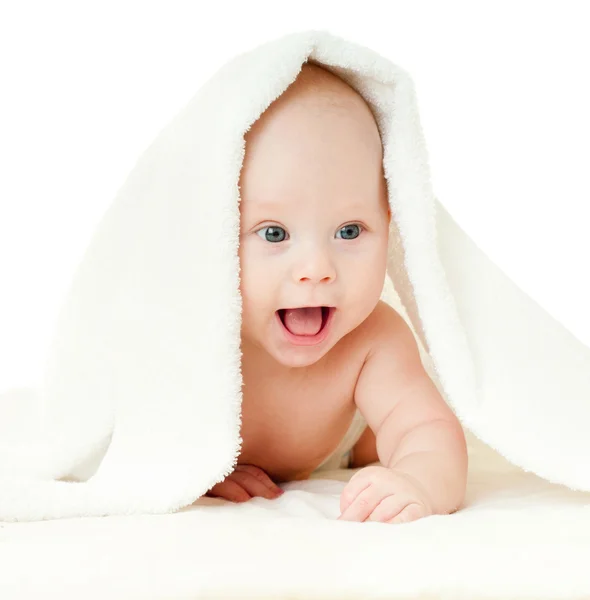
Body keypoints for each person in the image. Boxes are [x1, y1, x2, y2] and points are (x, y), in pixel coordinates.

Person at [205, 62, 468, 525]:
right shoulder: (195, 327)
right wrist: (198, 470)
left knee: (377, 445)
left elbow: (426, 431)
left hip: (344, 439)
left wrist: (418, 481)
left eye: (349, 231)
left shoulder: (373, 341)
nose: (315, 271)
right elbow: (139, 419)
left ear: (390, 226)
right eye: (273, 234)